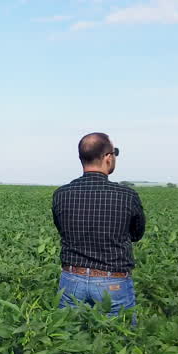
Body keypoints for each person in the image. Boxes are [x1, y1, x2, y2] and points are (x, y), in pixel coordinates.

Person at [52, 132, 146, 325]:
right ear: (108, 157)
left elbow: (62, 230)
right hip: (113, 283)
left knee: (67, 341)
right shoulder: (127, 195)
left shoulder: (61, 194)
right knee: (120, 340)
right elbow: (137, 234)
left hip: (71, 279)